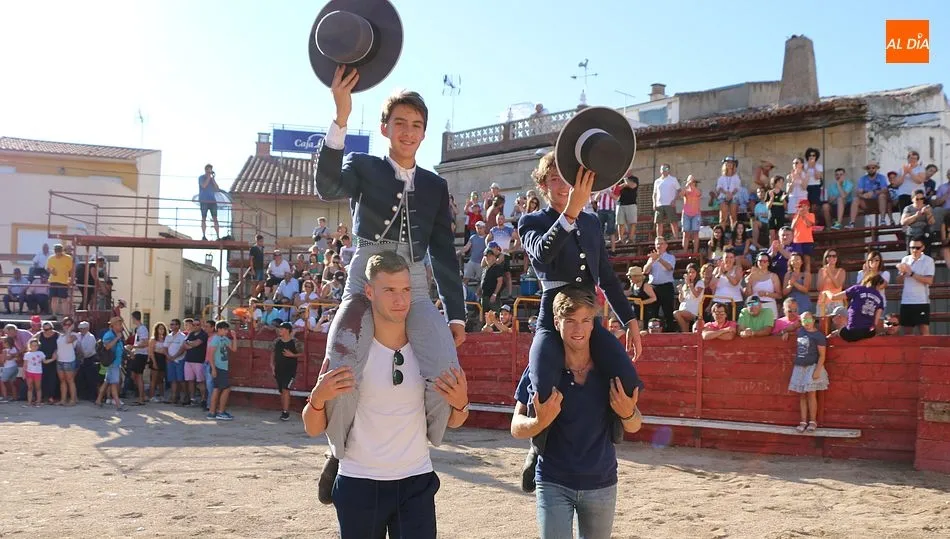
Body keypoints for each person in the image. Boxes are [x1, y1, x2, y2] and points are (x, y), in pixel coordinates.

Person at [312, 69, 467, 506]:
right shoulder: (363, 166)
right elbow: (326, 186)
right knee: (342, 354)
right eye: (400, 122)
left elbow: (443, 251)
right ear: (385, 128)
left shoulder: (435, 184)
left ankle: (421, 445)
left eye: (416, 125)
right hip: (366, 273)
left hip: (413, 281)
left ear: (424, 133)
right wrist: (341, 117)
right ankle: (338, 453)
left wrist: (455, 313)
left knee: (446, 363)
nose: (408, 131)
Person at [302, 251, 470, 537]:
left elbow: (454, 421)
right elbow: (312, 427)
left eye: (405, 290)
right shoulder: (350, 353)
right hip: (359, 481)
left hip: (416, 480)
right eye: (389, 290)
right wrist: (317, 399)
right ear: (369, 292)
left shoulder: (429, 353)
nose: (400, 300)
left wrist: (461, 404)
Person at [518, 151, 644, 494]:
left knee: (627, 376)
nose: (563, 186)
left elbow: (607, 277)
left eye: (568, 179)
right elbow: (542, 255)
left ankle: (612, 429)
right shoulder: (531, 221)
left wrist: (629, 319)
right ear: (543, 185)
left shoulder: (590, 222)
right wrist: (571, 212)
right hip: (552, 316)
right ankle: (538, 446)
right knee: (542, 381)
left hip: (588, 314)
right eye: (554, 179)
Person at [510, 286, 642, 539]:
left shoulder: (608, 369)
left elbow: (635, 425)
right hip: (553, 480)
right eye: (570, 320)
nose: (578, 329)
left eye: (585, 320)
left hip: (601, 482)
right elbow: (516, 426)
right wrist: (538, 422)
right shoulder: (542, 367)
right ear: (556, 323)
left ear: (594, 324)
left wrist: (627, 414)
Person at [784, 311, 828, 433]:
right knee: (802, 395)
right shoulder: (801, 331)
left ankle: (813, 421)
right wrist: (785, 332)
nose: (807, 323)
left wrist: (817, 370)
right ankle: (803, 421)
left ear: (813, 320)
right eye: (804, 320)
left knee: (811, 395)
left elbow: (822, 355)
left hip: (812, 367)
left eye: (809, 320)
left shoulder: (818, 336)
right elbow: (790, 329)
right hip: (800, 367)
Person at [823, 274, 887, 342]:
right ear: (879, 285)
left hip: (853, 332)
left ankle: (837, 333)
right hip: (869, 332)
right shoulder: (880, 298)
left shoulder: (857, 289)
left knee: (841, 331)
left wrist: (827, 292)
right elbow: (876, 322)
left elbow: (833, 297)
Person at [897, 237, 936, 336]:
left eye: (917, 248)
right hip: (906, 301)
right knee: (907, 333)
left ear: (923, 248)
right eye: (912, 248)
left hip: (921, 301)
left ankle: (927, 347)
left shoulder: (928, 260)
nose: (914, 250)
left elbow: (929, 280)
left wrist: (911, 273)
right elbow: (899, 281)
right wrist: (902, 273)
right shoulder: (905, 259)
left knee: (924, 331)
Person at [643, 236, 676, 332]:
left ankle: (670, 333)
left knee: (667, 312)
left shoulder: (670, 257)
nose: (659, 246)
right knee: (652, 312)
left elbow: (669, 268)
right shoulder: (652, 258)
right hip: (653, 287)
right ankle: (652, 332)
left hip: (666, 286)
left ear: (666, 245)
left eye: (661, 244)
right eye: (657, 244)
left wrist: (658, 259)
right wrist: (651, 261)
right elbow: (645, 271)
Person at [95, 316, 128, 411]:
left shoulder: (117, 334)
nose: (121, 326)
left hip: (115, 363)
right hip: (112, 363)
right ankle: (118, 405)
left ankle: (98, 400)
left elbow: (120, 347)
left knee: (107, 382)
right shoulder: (109, 335)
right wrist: (117, 338)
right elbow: (107, 347)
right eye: (119, 324)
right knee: (114, 384)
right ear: (113, 325)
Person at [273, 321, 303, 422]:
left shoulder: (295, 342)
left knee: (285, 388)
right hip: (278, 369)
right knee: (282, 390)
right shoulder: (277, 341)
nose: (279, 330)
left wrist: (293, 355)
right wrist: (272, 365)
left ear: (287, 330)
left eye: (282, 329)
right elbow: (272, 353)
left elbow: (303, 354)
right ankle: (284, 411)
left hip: (290, 370)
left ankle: (285, 412)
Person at [207, 321, 237, 421]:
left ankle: (212, 412)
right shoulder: (215, 339)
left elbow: (234, 349)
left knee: (217, 389)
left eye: (227, 329)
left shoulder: (224, 338)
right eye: (225, 329)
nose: (227, 331)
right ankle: (220, 411)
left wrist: (234, 337)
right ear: (219, 329)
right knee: (226, 388)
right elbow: (210, 355)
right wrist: (213, 369)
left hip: (222, 367)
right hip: (218, 367)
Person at [181, 319, 208, 406]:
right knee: (190, 380)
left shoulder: (203, 334)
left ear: (200, 325)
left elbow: (197, 343)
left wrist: (189, 343)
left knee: (201, 381)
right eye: (194, 325)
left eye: (197, 325)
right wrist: (191, 344)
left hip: (199, 361)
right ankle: (192, 399)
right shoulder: (191, 334)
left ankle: (203, 399)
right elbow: (184, 345)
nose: (195, 326)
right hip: (188, 360)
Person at [53, 316, 79, 406]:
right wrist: (55, 353)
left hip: (69, 360)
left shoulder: (75, 335)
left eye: (69, 324)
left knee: (70, 380)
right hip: (60, 360)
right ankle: (63, 399)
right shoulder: (61, 336)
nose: (67, 326)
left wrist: (69, 330)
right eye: (65, 324)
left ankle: (73, 400)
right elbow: (59, 347)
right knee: (62, 381)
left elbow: (68, 341)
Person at [673, 263, 704, 333]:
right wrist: (680, 291)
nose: (691, 274)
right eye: (689, 272)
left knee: (676, 313)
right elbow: (681, 300)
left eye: (693, 272)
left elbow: (696, 295)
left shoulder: (700, 282)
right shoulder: (685, 285)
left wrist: (690, 284)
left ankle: (686, 333)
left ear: (697, 273)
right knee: (684, 325)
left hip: (692, 311)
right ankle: (686, 335)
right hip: (683, 308)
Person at [127, 310, 149, 405]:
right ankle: (142, 396)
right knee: (134, 375)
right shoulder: (139, 329)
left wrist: (133, 346)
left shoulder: (142, 329)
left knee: (138, 376)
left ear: (134, 318)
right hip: (138, 354)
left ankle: (141, 398)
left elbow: (145, 343)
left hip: (141, 354)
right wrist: (133, 350)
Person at [164, 319, 187, 405]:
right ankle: (174, 397)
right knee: (172, 379)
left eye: (173, 324)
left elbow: (183, 348)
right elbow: (165, 347)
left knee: (181, 379)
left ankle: (185, 396)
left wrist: (174, 356)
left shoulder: (182, 336)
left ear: (178, 325)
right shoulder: (168, 336)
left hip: (179, 360)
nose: (171, 326)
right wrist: (168, 356)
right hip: (170, 360)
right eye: (171, 324)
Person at [716, 156, 742, 233]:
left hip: (733, 197)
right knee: (723, 218)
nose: (730, 165)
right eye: (728, 163)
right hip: (723, 197)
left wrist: (731, 194)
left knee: (733, 217)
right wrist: (726, 193)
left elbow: (737, 187)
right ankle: (721, 234)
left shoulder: (736, 177)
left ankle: (734, 234)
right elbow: (718, 188)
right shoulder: (721, 178)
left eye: (731, 163)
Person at [23, 338, 50, 406]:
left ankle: (38, 401)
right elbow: (25, 365)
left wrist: (53, 359)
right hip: (29, 372)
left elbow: (45, 361)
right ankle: (29, 402)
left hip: (38, 373)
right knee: (30, 388)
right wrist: (23, 373)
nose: (34, 347)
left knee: (38, 387)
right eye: (32, 345)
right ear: (30, 346)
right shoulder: (27, 354)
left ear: (38, 346)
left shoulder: (41, 353)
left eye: (36, 345)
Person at [198, 164, 221, 241]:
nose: (209, 171)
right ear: (205, 170)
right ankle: (204, 235)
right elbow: (204, 186)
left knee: (215, 218)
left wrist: (213, 179)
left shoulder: (211, 179)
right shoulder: (201, 178)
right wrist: (208, 177)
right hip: (204, 200)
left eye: (210, 170)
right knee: (203, 218)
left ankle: (218, 236)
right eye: (208, 170)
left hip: (212, 201)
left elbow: (217, 189)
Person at [681, 175, 702, 254]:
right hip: (686, 214)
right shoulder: (685, 190)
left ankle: (695, 252)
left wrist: (692, 186)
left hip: (696, 214)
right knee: (686, 233)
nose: (691, 182)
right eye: (690, 181)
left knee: (695, 233)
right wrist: (686, 186)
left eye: (693, 181)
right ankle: (685, 252)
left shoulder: (698, 190)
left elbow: (699, 194)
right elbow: (681, 194)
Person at [148, 322, 168, 403]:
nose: (161, 330)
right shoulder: (153, 340)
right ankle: (151, 396)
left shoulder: (166, 339)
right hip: (156, 358)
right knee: (154, 379)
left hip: (163, 359)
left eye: (163, 329)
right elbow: (151, 352)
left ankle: (162, 396)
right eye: (160, 328)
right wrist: (154, 362)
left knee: (161, 379)